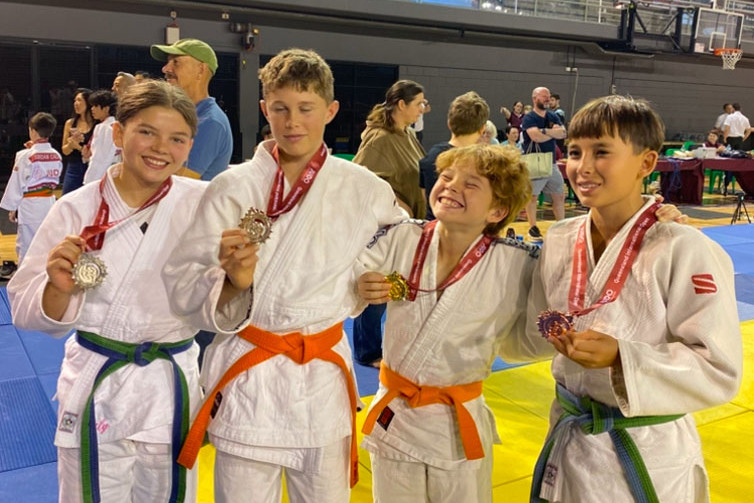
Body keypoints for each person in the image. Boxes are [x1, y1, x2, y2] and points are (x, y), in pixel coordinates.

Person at [162, 48, 404, 503]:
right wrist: (234, 281)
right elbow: (181, 283)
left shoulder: (363, 188)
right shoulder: (231, 187)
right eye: (280, 108)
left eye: (306, 108)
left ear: (330, 111)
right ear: (264, 110)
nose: (293, 121)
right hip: (251, 380)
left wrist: (371, 278)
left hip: (321, 382)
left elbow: (402, 237)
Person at [529, 95, 742, 503]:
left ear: (646, 163)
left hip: (645, 447)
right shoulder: (558, 238)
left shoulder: (685, 248)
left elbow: (719, 369)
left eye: (601, 152)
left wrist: (622, 358)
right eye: (574, 152)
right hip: (569, 435)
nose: (582, 167)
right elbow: (526, 327)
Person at [7, 80, 206, 503]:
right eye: (146, 132)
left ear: (190, 145)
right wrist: (58, 289)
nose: (160, 148)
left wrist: (240, 274)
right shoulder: (75, 208)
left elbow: (225, 301)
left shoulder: (204, 203)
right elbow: (24, 307)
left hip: (169, 387)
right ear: (117, 133)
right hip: (100, 381)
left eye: (177, 138)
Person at [356, 144, 551, 502]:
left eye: (470, 184)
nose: (450, 186)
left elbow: (544, 323)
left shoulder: (517, 263)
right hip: (396, 416)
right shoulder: (404, 236)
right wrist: (360, 284)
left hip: (456, 427)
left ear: (498, 210)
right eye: (446, 177)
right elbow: (350, 269)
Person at [351, 79, 427, 368]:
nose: (422, 109)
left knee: (396, 285)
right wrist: (394, 202)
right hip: (383, 226)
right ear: (401, 105)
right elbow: (362, 177)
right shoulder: (379, 138)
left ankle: (388, 343)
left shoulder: (405, 134)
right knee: (377, 286)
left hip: (404, 226)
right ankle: (367, 350)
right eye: (418, 103)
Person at [151, 38, 232, 181]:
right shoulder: (186, 117)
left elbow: (177, 183)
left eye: (176, 62)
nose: (166, 69)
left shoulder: (210, 122)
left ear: (201, 70)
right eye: (167, 62)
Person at [0, 112, 62, 264]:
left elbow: (17, 182)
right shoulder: (56, 155)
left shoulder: (26, 156)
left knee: (26, 246)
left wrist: (12, 207)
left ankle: (24, 283)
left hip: (30, 205)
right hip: (49, 202)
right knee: (46, 242)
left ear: (32, 131)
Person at [420, 91, 490, 220]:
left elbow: (423, 198)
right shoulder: (483, 163)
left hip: (433, 228)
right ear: (482, 128)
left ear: (449, 123)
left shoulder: (431, 156)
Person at [521, 86, 567, 242]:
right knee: (532, 196)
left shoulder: (553, 115)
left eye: (548, 96)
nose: (547, 99)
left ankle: (561, 226)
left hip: (551, 163)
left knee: (559, 195)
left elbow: (563, 133)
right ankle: (533, 227)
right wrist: (550, 132)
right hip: (535, 162)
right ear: (534, 98)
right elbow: (535, 137)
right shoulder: (529, 118)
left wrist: (545, 131)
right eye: (544, 96)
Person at [82, 90, 120, 185]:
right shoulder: (118, 126)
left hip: (100, 176)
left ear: (106, 109)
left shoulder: (104, 128)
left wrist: (89, 181)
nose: (92, 109)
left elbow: (100, 158)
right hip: (115, 173)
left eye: (96, 106)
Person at [61, 88, 94, 194]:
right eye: (75, 101)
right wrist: (71, 145)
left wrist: (79, 147)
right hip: (73, 166)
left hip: (91, 167)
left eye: (79, 100)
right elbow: (65, 151)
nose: (76, 103)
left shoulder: (97, 124)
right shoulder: (70, 123)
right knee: (67, 197)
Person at [722, 102, 751, 194]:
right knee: (738, 162)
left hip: (730, 139)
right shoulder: (745, 118)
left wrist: (724, 138)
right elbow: (749, 129)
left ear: (733, 109)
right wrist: (743, 138)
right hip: (739, 140)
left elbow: (727, 128)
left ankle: (726, 185)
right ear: (740, 109)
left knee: (728, 161)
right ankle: (740, 183)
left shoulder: (730, 117)